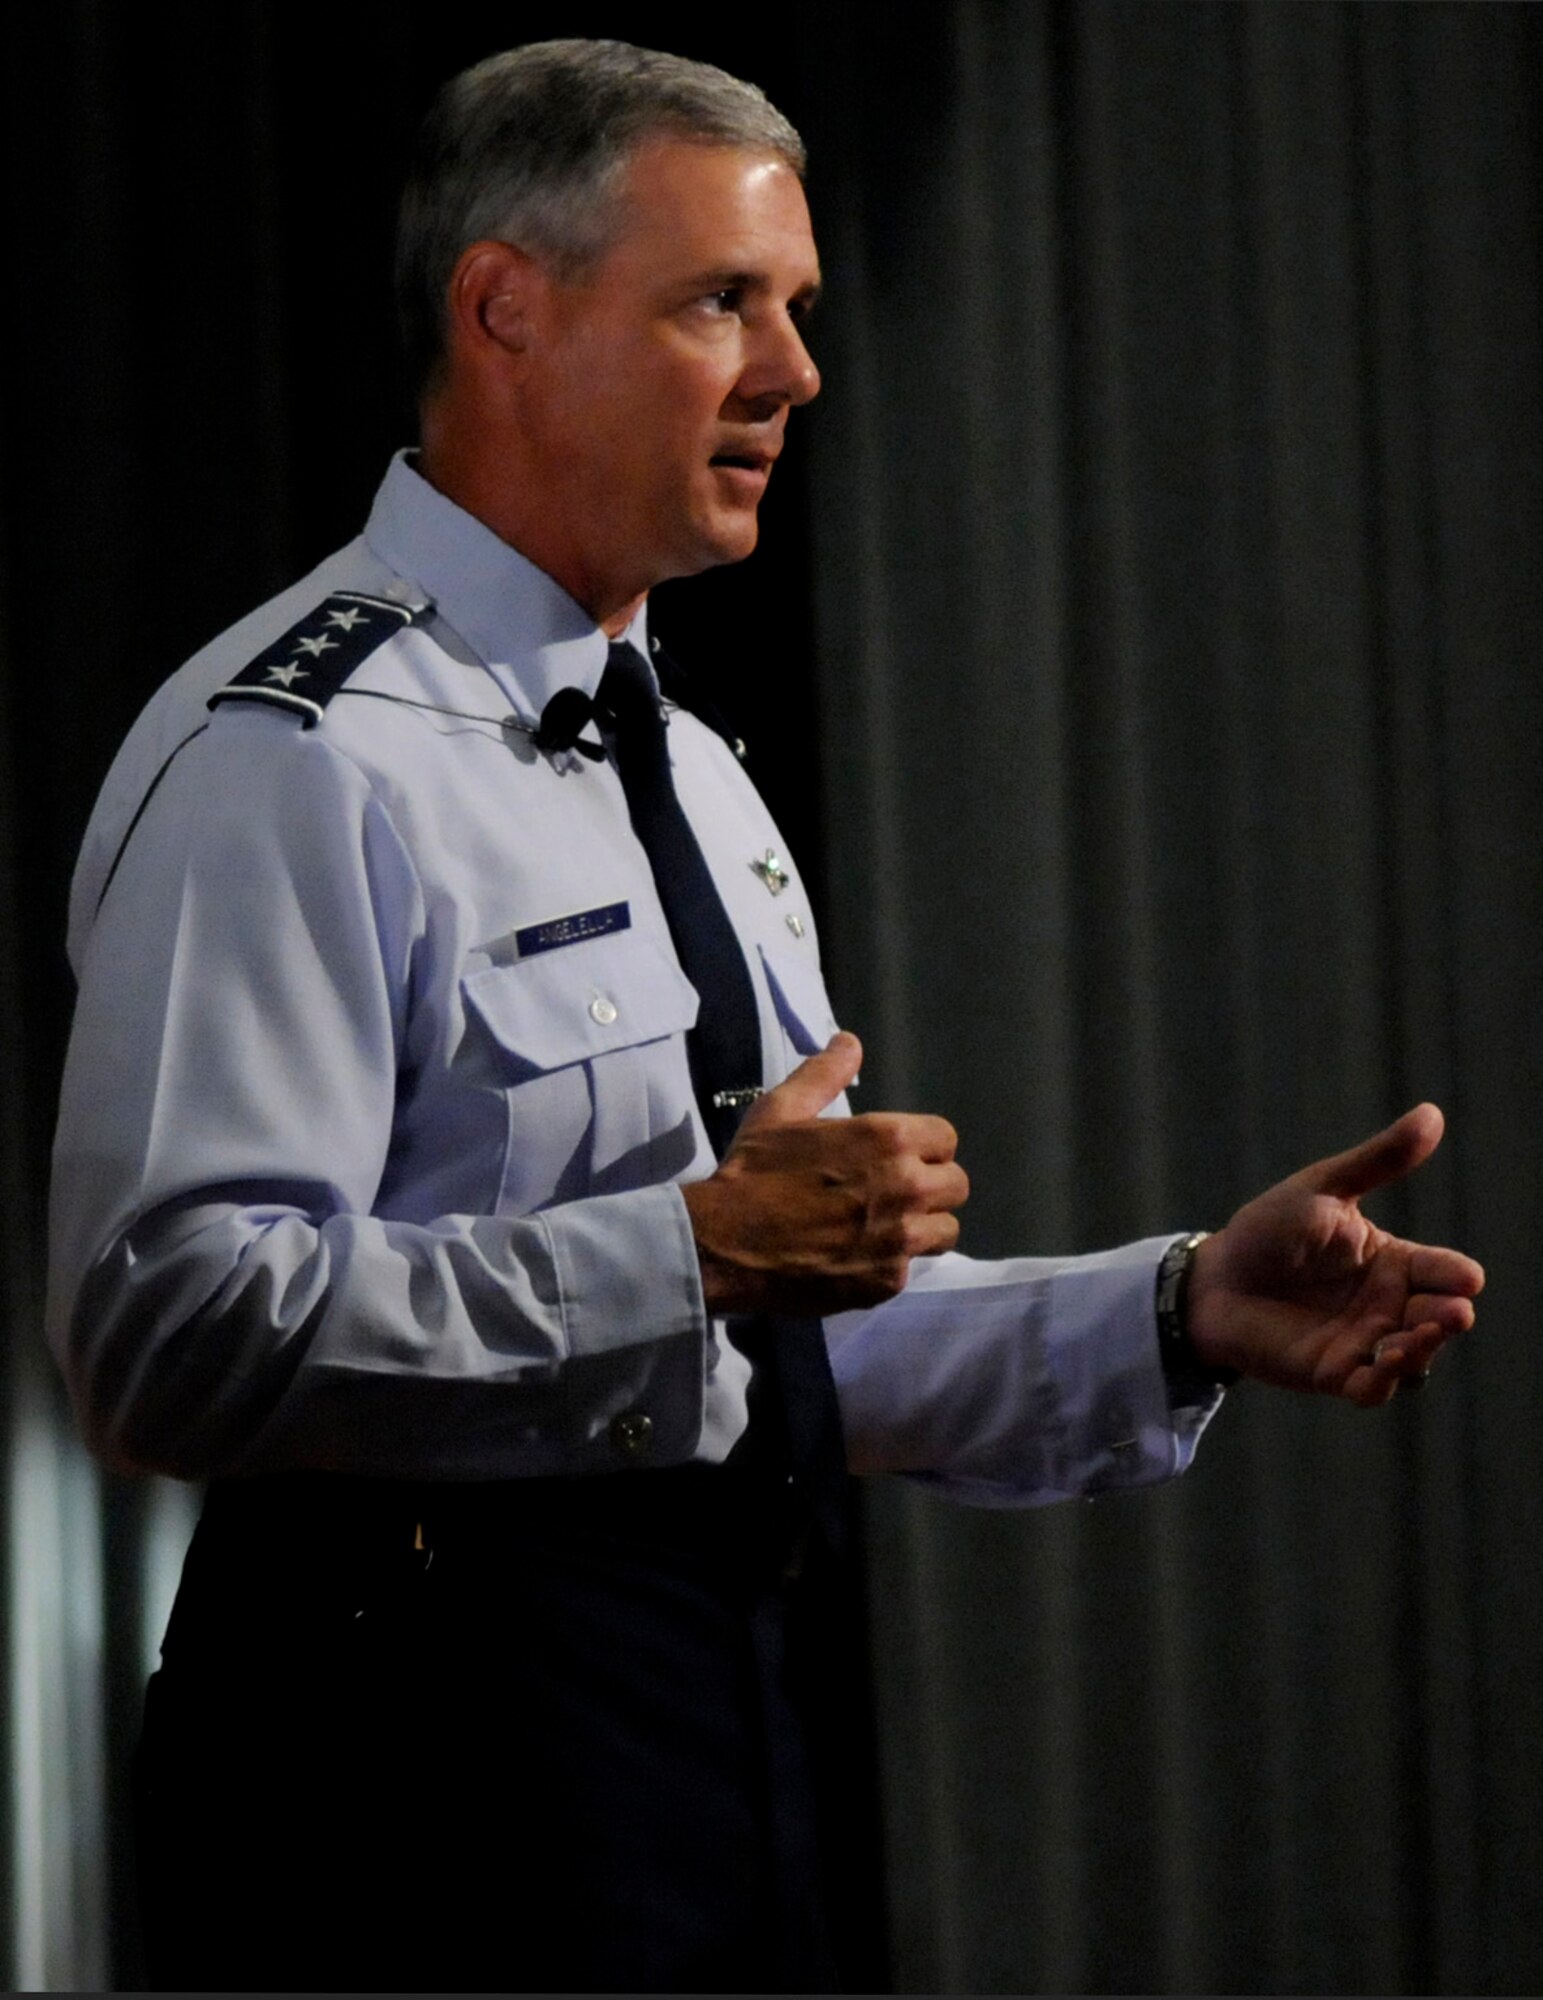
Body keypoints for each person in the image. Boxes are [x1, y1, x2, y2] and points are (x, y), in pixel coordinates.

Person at [47, 38, 1483, 1994]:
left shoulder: (694, 772)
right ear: (504, 310)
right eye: (723, 301)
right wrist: (696, 1249)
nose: (796, 370)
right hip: (398, 1753)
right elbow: (168, 1334)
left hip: (708, 1709)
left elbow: (775, 1354)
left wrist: (1172, 1311)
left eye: (795, 306)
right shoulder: (297, 757)